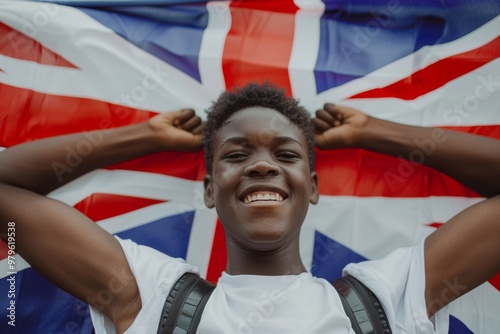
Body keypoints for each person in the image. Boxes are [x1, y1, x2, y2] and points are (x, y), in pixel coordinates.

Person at [0, 82, 499, 333]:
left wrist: (381, 133)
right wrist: (137, 137)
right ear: (210, 190)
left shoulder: (386, 301)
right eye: (236, 156)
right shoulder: (152, 299)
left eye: (286, 155)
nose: (263, 167)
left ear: (314, 186)